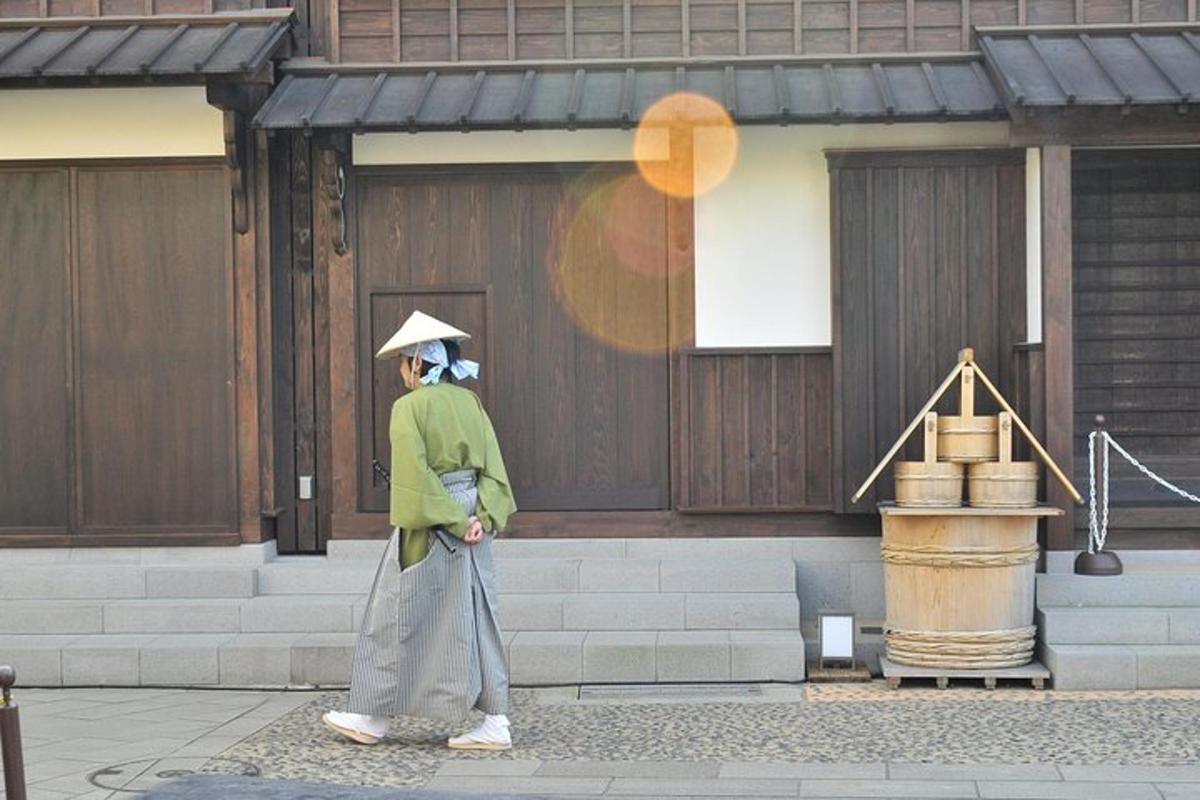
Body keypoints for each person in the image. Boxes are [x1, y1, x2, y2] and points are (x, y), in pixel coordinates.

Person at [322, 310, 518, 751]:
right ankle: (496, 720)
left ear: (416, 364)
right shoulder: (472, 403)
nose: (402, 375)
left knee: (399, 613)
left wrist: (451, 519)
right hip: (473, 519)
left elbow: (414, 475)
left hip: (433, 522)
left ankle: (373, 715)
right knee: (477, 613)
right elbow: (495, 470)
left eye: (403, 365)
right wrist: (480, 518)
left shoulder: (408, 407)